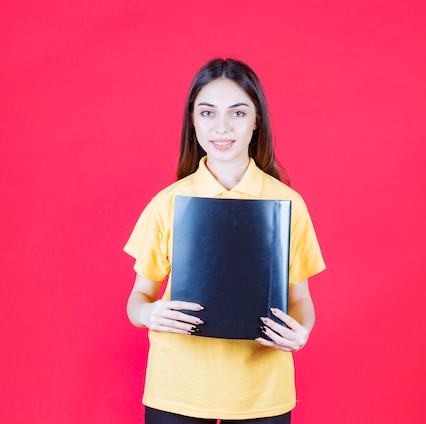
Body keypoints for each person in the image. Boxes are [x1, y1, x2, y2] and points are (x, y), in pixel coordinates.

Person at [124, 58, 326, 424]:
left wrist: (302, 333)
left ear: (256, 120)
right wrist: (148, 314)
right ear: (193, 120)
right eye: (207, 112)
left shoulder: (288, 205)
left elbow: (301, 300)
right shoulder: (166, 203)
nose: (221, 127)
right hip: (176, 390)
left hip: (262, 391)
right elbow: (138, 298)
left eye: (237, 113)